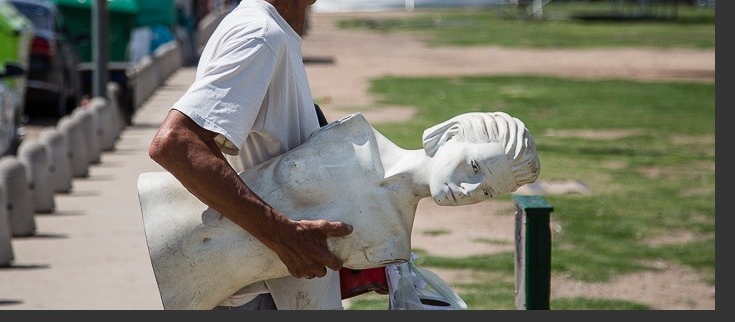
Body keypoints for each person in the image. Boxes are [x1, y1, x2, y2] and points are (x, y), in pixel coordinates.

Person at [148, 0, 352, 310]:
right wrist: (285, 236)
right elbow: (175, 143)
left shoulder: (264, 30)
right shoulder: (260, 36)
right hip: (261, 294)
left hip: (270, 285)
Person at [139, 111, 540, 310]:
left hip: (195, 290)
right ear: (452, 132)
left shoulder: (391, 244)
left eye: (486, 193)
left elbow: (300, 289)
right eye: (474, 168)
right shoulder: (356, 135)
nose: (469, 191)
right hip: (164, 209)